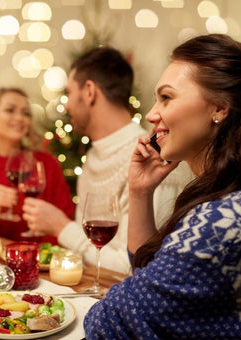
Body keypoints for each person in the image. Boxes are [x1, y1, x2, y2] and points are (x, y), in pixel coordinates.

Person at [84, 34, 241, 339]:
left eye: (166, 98)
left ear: (219, 108)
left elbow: (110, 322)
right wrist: (141, 191)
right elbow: (151, 280)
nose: (152, 114)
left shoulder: (234, 215)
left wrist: (117, 303)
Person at [21, 47, 193, 274]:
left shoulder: (152, 160)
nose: (67, 105)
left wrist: (61, 227)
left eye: (69, 93)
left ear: (89, 91)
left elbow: (133, 267)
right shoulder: (92, 157)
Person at [0, 88, 74, 242]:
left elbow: (64, 221)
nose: (19, 118)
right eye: (10, 110)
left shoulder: (46, 164)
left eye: (25, 113)